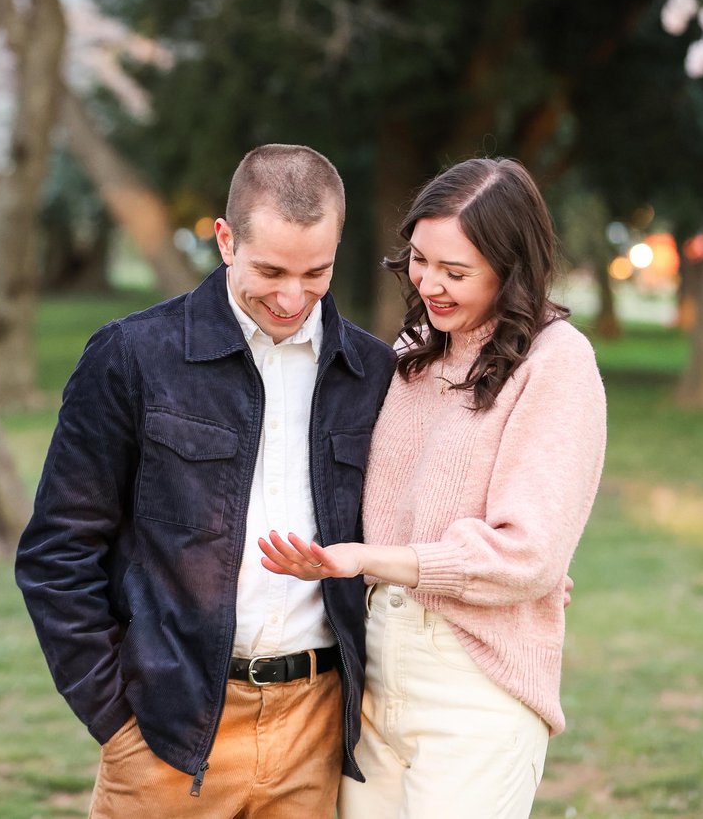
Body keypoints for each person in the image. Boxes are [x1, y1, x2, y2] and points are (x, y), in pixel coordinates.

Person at [16, 144, 396, 819]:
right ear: (225, 240)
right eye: (270, 269)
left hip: (316, 729)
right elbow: (57, 551)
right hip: (167, 733)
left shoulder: (372, 373)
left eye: (317, 272)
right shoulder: (132, 356)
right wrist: (117, 720)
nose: (291, 296)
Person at [260, 156, 607, 819]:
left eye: (457, 272)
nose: (430, 284)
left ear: (512, 267)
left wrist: (370, 559)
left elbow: (525, 555)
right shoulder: (418, 348)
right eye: (421, 260)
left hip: (475, 684)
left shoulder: (557, 364)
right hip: (374, 671)